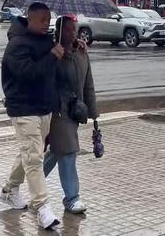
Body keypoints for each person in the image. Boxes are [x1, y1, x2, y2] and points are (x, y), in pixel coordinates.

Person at [0, 2, 65, 230]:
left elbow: (53, 72)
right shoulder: (17, 44)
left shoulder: (47, 42)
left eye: (49, 19)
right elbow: (29, 73)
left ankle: (9, 189)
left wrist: (73, 46)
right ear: (30, 18)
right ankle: (42, 208)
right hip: (24, 108)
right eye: (42, 20)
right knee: (34, 158)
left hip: (44, 108)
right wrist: (52, 57)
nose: (47, 24)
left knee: (29, 152)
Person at [44, 16, 99, 215]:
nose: (73, 33)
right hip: (58, 110)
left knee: (57, 151)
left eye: (74, 29)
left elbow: (88, 84)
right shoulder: (51, 51)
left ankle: (31, 183)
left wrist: (93, 113)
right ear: (59, 31)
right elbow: (44, 78)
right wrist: (55, 56)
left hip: (76, 110)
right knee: (68, 152)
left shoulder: (81, 52)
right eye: (68, 30)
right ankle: (72, 198)